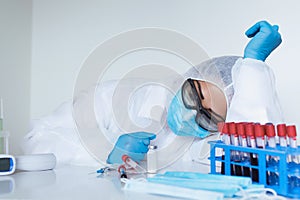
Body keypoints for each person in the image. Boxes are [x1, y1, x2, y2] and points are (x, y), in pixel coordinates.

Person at [22, 21, 283, 171]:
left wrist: (254, 67)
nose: (191, 113)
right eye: (194, 93)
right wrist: (105, 153)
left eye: (206, 117)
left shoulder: (198, 147)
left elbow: (252, 161)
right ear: (188, 77)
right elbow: (35, 141)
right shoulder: (115, 96)